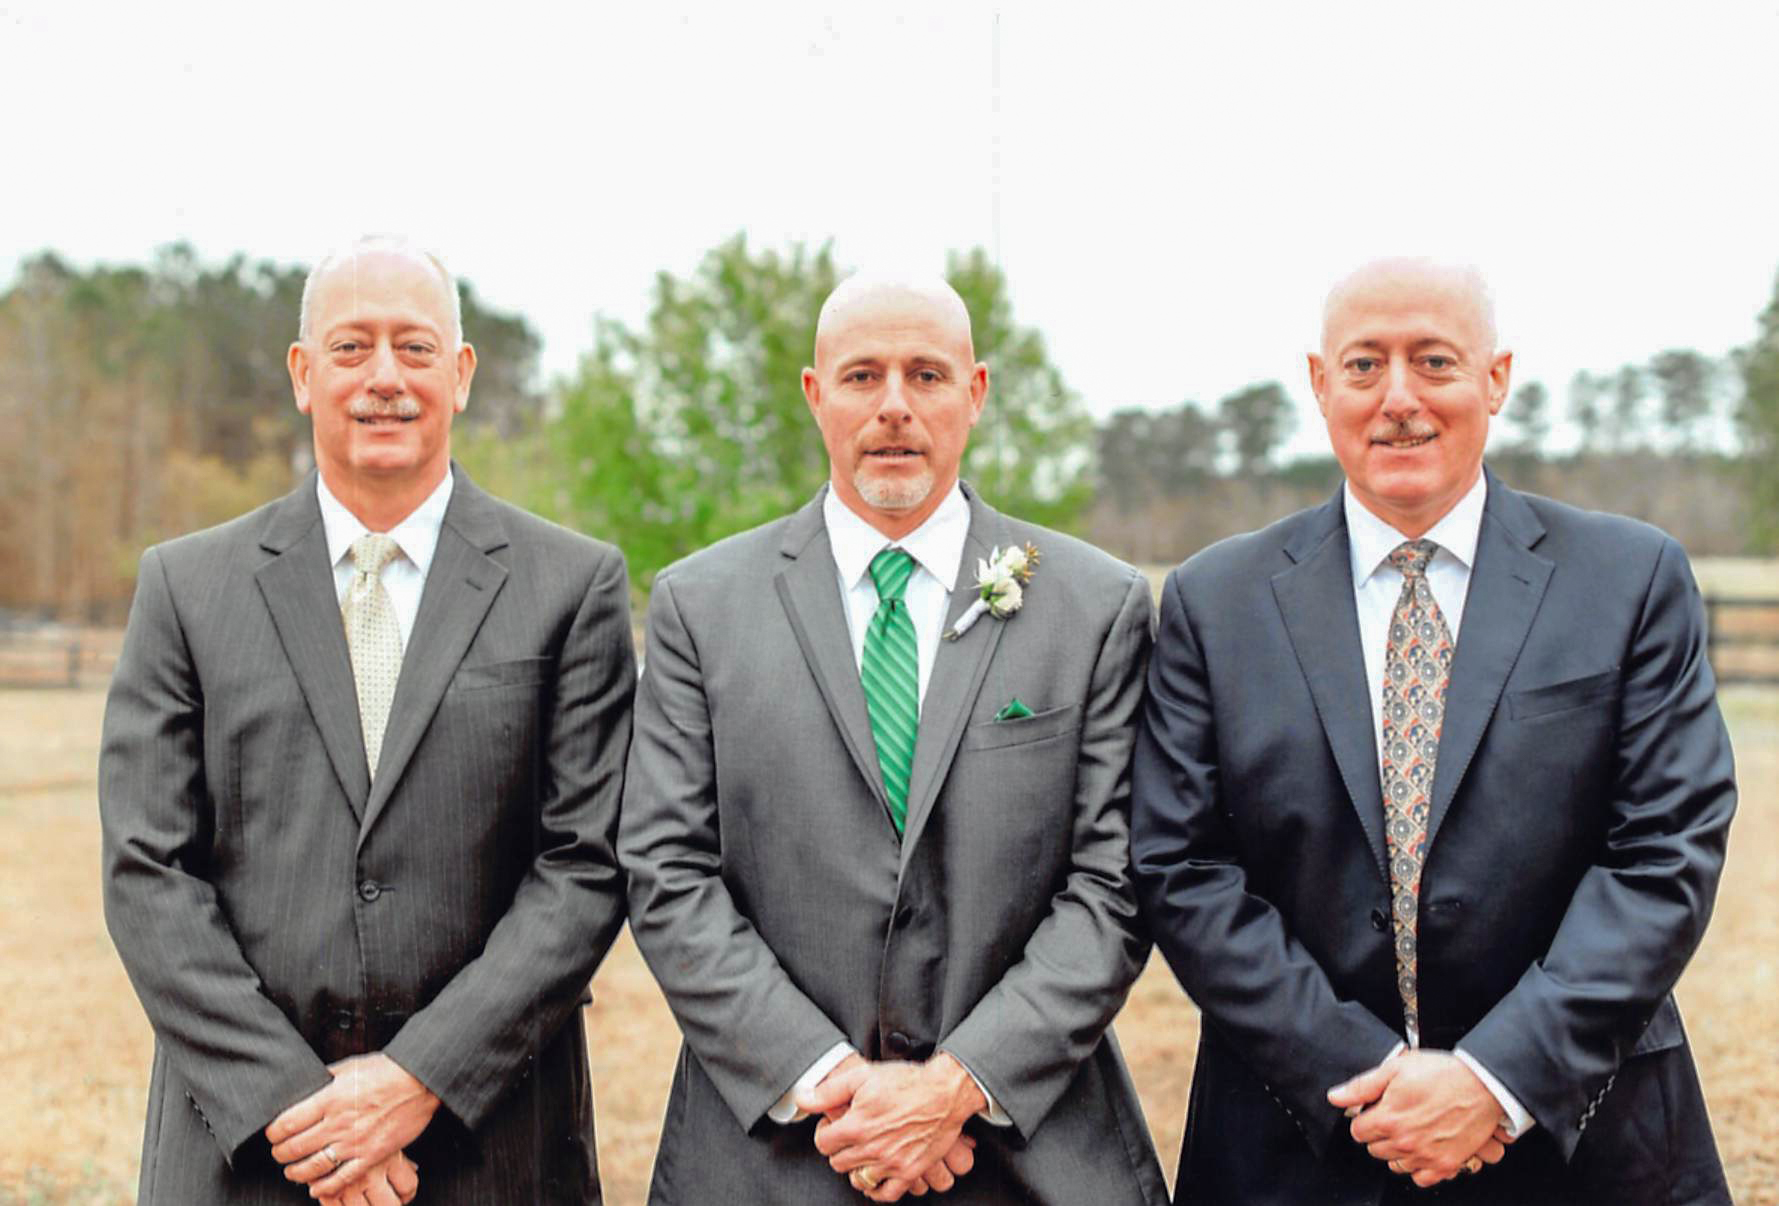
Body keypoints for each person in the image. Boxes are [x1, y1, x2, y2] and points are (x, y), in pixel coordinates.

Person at [1130, 257, 1736, 1205]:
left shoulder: (1628, 579)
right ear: (1319, 383)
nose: (1398, 398)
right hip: (1297, 1145)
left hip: (1581, 1140)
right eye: (1364, 364)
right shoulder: (1215, 600)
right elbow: (1183, 864)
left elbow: (1664, 850)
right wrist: (1364, 1074)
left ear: (1495, 378)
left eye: (1434, 361)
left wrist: (1495, 1079)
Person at [99, 237, 636, 1204]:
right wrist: (296, 1106)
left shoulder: (572, 587)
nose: (384, 377)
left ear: (460, 374)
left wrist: (415, 1080)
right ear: (303, 375)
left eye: (414, 347)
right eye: (351, 348)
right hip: (247, 1155)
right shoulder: (185, 588)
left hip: (494, 1150)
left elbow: (586, 866)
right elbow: (148, 870)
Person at [618, 275, 1168, 1204]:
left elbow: (1113, 884)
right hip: (773, 1159)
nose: (894, 407)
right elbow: (667, 872)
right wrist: (832, 1083)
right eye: (862, 375)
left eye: (926, 374)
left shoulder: (1095, 606)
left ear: (975, 392)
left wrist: (956, 1088)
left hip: (1025, 1157)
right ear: (814, 394)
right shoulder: (698, 607)